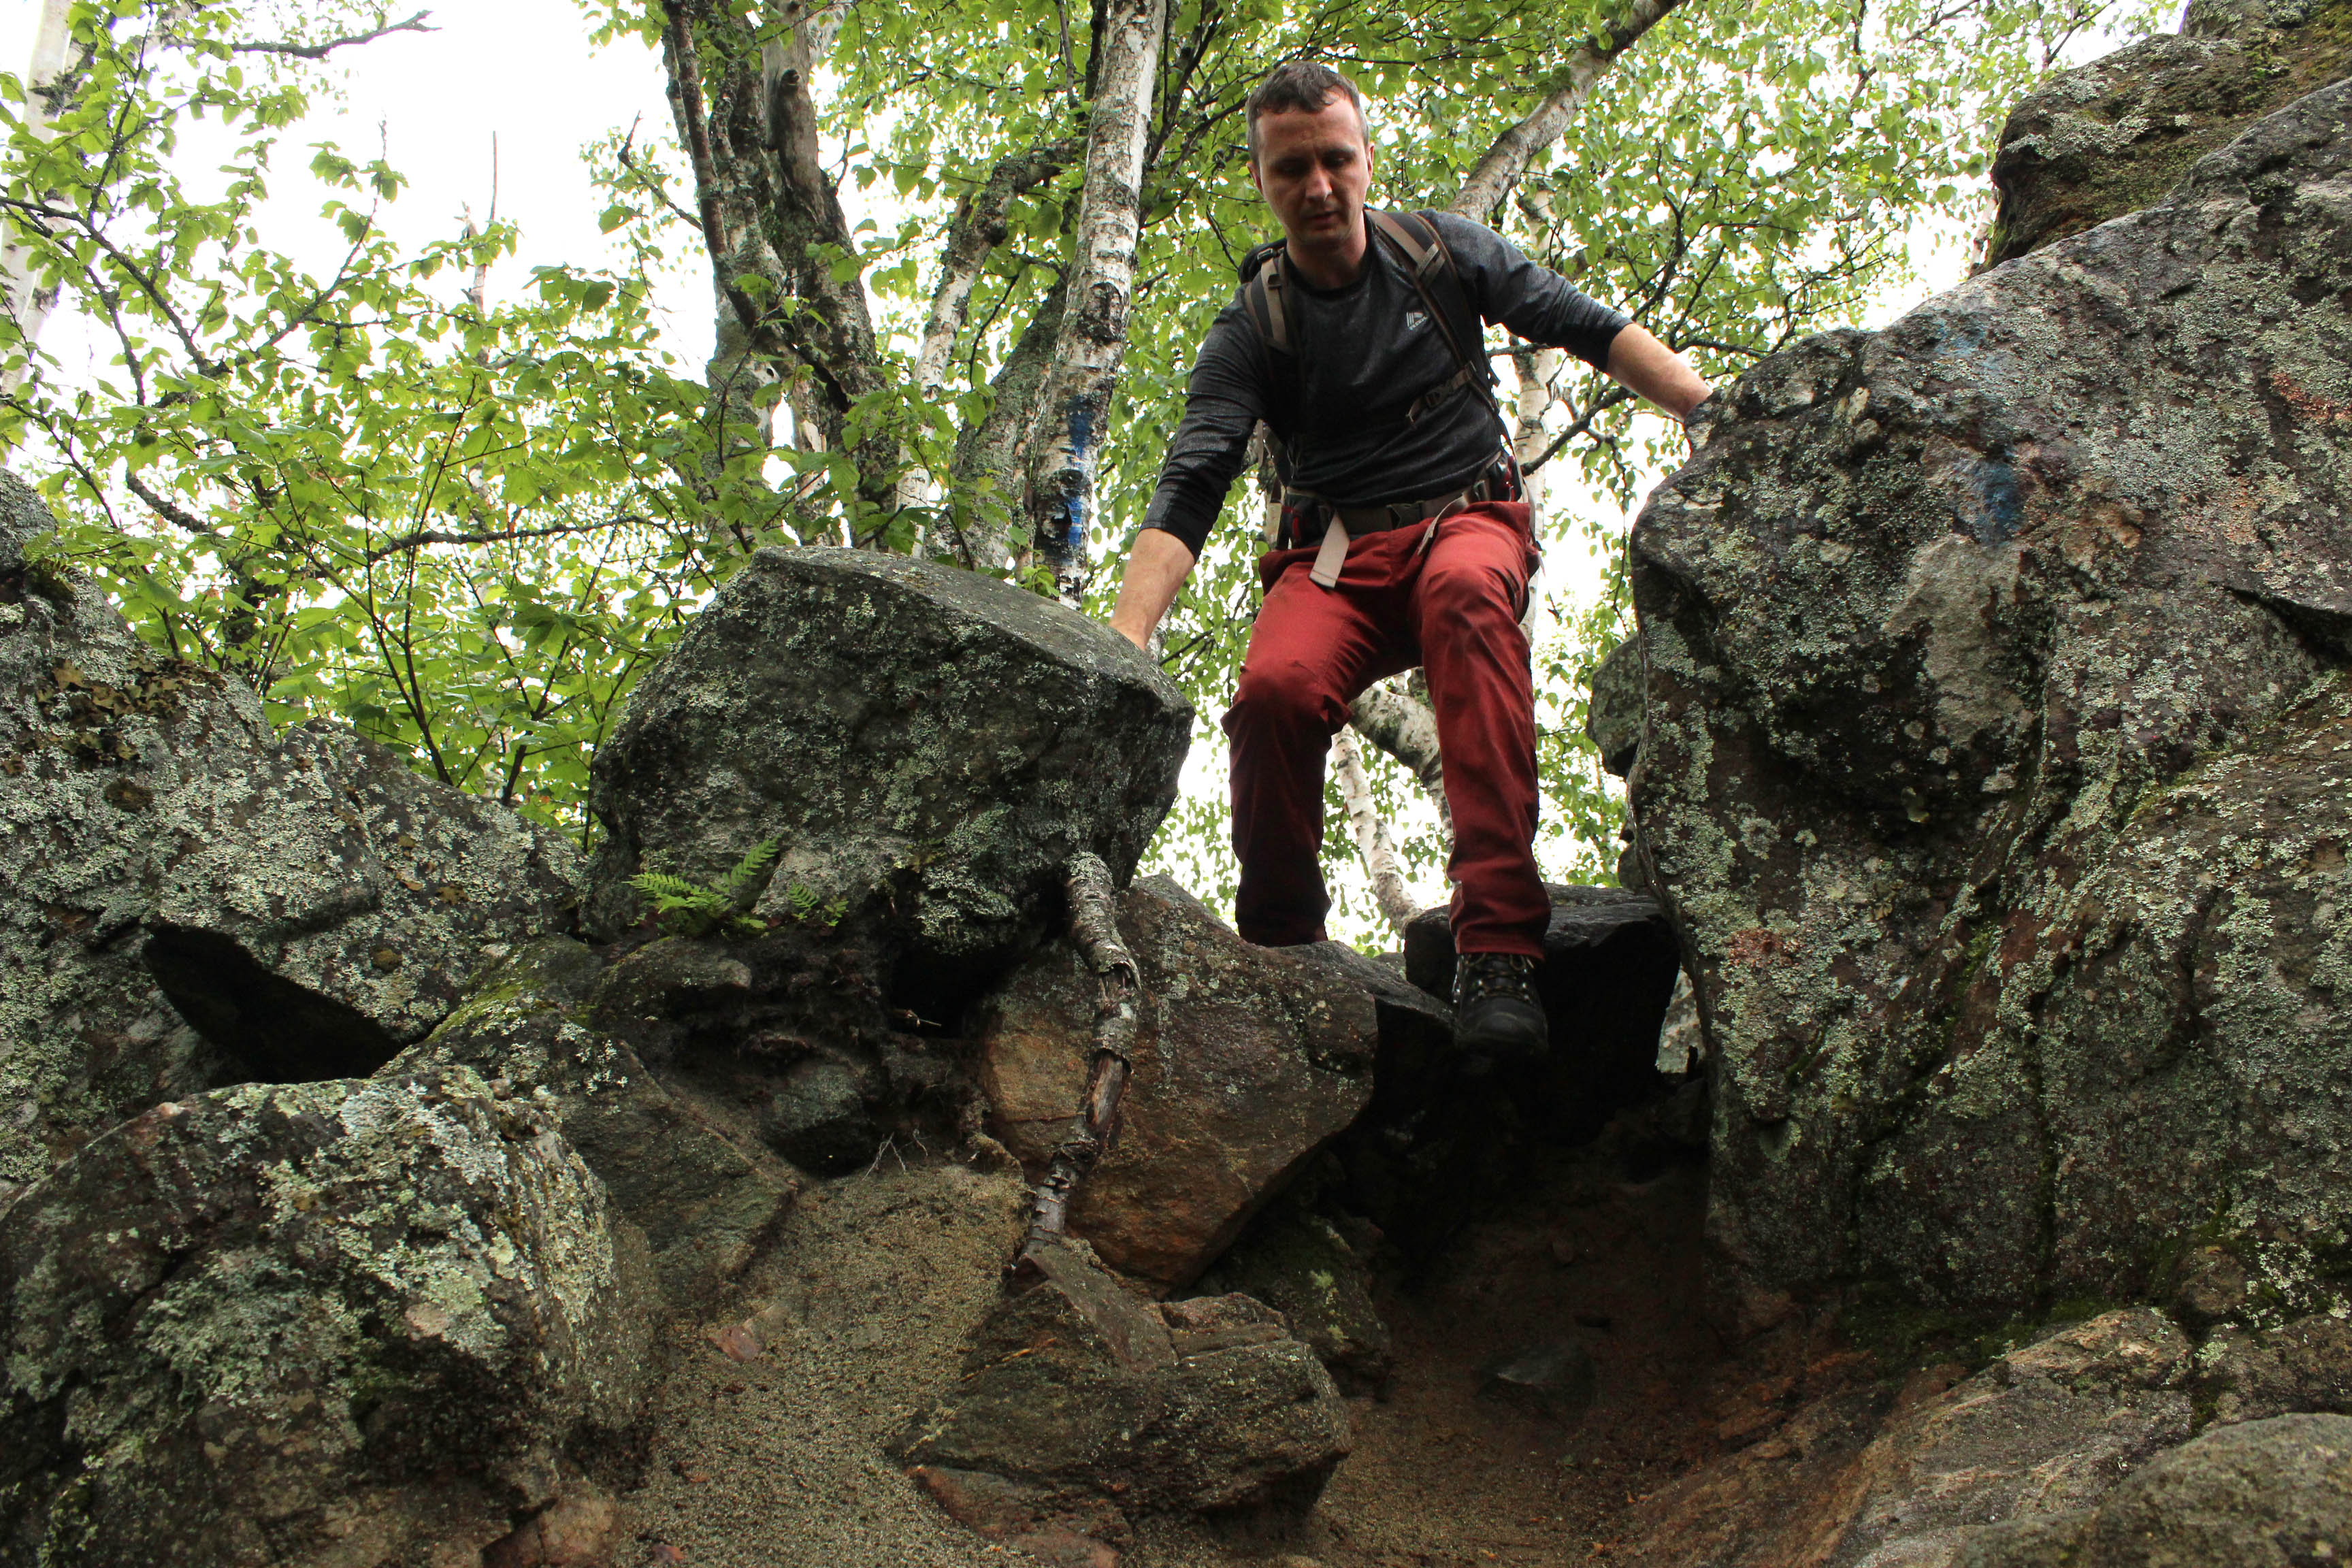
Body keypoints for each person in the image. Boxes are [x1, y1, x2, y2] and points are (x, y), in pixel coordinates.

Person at [1107, 61, 1710, 1064]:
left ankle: (1500, 950)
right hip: (1336, 555)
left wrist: (1707, 409)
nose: (1318, 187)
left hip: (1465, 521)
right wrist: (1128, 637)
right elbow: (1194, 476)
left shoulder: (1439, 254)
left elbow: (1585, 325)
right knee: (1271, 694)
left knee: (1470, 599)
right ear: (1262, 178)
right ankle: (1283, 957)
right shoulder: (1253, 323)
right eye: (1291, 168)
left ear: (1365, 159)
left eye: (1335, 160)